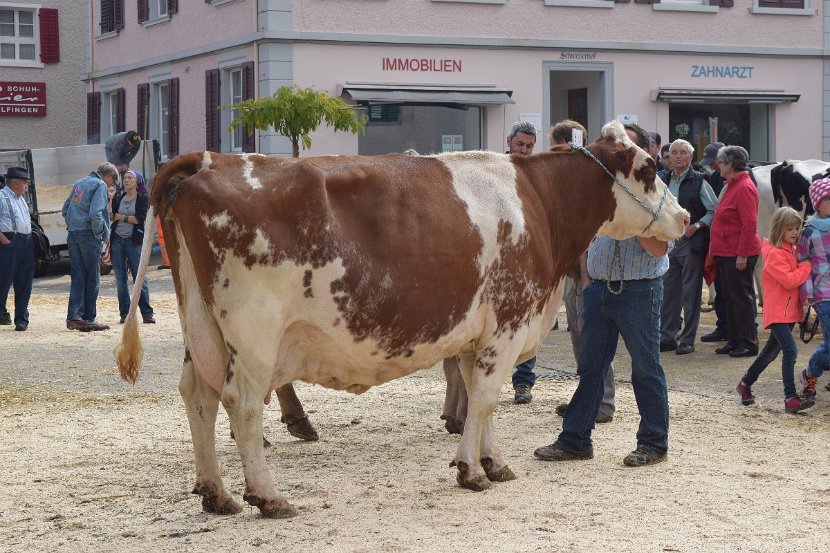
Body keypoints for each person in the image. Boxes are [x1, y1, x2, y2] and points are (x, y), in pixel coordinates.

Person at [536, 123, 673, 466]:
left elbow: (660, 248)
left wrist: (633, 216)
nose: (614, 150)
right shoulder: (600, 188)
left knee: (646, 367)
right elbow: (586, 236)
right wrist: (586, 279)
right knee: (591, 367)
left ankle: (654, 443)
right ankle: (575, 439)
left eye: (622, 146)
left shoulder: (654, 189)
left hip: (640, 289)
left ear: (638, 154)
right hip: (598, 288)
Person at [550, 118, 615, 424]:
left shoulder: (589, 179)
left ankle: (603, 402)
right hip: (573, 269)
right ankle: (588, 398)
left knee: (594, 337)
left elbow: (590, 230)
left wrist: (588, 276)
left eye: (561, 149)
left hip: (588, 270)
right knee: (579, 337)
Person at [737, 207, 813, 412]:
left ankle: (745, 384)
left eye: (797, 228)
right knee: (790, 351)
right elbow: (789, 281)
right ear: (780, 229)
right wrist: (807, 266)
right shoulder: (776, 255)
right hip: (778, 312)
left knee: (769, 353)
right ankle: (790, 397)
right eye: (791, 229)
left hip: (787, 312)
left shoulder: (790, 249)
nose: (796, 232)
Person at [659, 139, 717, 355]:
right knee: (669, 292)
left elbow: (713, 210)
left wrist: (698, 225)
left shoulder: (699, 180)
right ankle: (667, 337)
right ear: (668, 156)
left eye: (683, 152)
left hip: (691, 243)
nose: (678, 156)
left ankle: (687, 339)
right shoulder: (661, 179)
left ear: (691, 157)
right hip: (667, 242)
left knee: (690, 293)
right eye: (674, 152)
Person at [709, 145, 761, 357]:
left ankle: (748, 343)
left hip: (737, 254)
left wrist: (742, 254)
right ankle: (734, 339)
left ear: (730, 165)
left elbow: (749, 224)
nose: (717, 166)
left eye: (721, 162)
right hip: (726, 252)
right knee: (730, 298)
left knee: (741, 299)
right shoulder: (732, 185)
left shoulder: (745, 188)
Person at [63, 162, 119, 332]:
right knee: (93, 277)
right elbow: (96, 213)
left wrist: (73, 225)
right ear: (108, 176)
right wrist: (100, 233)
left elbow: (65, 209)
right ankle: (89, 317)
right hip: (88, 234)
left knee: (78, 276)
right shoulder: (100, 185)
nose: (111, 186)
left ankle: (74, 316)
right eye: (113, 182)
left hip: (73, 233)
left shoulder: (79, 183)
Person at [505, 120, 538, 403]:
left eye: (529, 146)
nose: (525, 151)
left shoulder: (539, 174)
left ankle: (523, 381)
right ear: (509, 141)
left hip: (529, 256)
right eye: (520, 144)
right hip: (499, 255)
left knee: (527, 320)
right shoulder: (495, 170)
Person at [796, 177, 830, 399]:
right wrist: (806, 292)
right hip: (822, 293)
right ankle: (810, 373)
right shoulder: (808, 231)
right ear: (818, 203)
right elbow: (803, 261)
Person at [111, 169, 155, 325]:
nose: (126, 180)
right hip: (117, 241)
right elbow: (112, 215)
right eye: (125, 178)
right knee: (120, 279)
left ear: (137, 182)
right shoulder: (118, 198)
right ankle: (125, 313)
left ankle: (147, 314)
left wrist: (121, 217)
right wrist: (111, 200)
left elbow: (139, 218)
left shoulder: (143, 198)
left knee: (139, 277)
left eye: (130, 178)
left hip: (133, 241)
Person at [699, 142, 729, 343]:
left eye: (715, 162)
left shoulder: (743, 181)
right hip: (718, 242)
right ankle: (723, 326)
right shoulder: (717, 177)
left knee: (735, 291)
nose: (713, 166)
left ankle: (740, 331)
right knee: (721, 286)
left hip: (730, 244)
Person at [0, 167, 34, 331]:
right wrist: (4, 240)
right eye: (24, 181)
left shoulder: (20, 199)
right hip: (10, 240)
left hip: (25, 241)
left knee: (24, 282)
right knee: (3, 281)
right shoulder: (1, 196)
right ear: (14, 182)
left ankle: (21, 319)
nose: (26, 184)